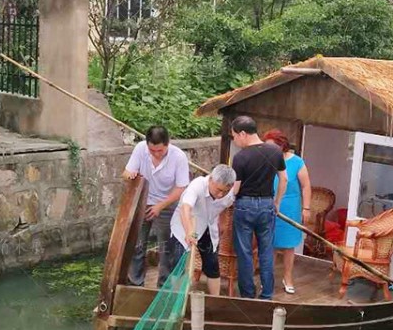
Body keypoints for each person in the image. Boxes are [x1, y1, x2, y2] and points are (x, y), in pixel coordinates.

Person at [123, 125, 189, 288]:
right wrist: (130, 175)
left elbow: (181, 187)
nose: (156, 154)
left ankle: (163, 285)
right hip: (143, 202)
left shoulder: (178, 157)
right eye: (152, 151)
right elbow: (126, 172)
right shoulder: (140, 149)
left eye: (160, 151)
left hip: (168, 203)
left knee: (166, 248)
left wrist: (160, 206)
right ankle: (135, 283)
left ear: (168, 144)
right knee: (137, 244)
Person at [230, 115, 287, 300]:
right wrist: (277, 202)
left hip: (244, 205)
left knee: (245, 252)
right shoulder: (275, 151)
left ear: (243, 134)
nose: (235, 141)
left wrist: (225, 199)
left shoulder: (239, 157)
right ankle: (267, 295)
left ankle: (247, 295)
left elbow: (235, 188)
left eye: (235, 136)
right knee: (266, 251)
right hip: (266, 205)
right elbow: (284, 179)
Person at [169, 165, 236, 295]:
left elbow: (226, 206)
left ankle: (215, 299)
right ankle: (176, 300)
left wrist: (221, 223)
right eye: (218, 190)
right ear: (211, 179)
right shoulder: (197, 186)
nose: (221, 194)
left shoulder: (228, 193)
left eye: (225, 191)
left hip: (207, 228)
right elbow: (185, 209)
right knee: (178, 264)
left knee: (212, 265)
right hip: (184, 226)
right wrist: (189, 232)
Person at [263, 129, 312, 294]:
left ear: (281, 145)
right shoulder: (265, 161)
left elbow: (306, 186)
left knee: (289, 245)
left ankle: (288, 277)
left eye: (271, 146)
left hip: (290, 207)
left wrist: (306, 208)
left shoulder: (297, 162)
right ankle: (267, 279)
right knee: (270, 244)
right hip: (270, 205)